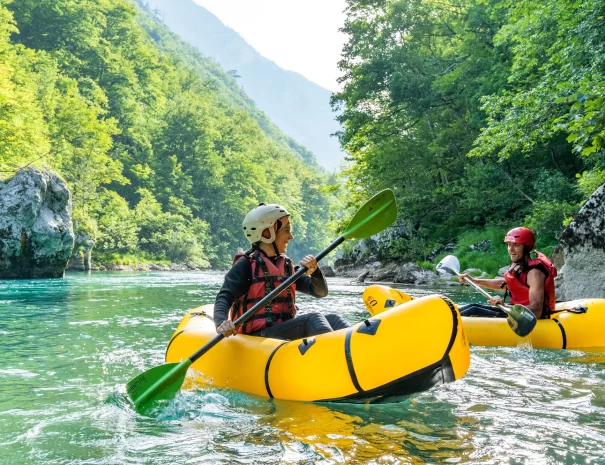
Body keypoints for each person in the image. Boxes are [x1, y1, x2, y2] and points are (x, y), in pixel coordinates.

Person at [214, 203, 349, 340]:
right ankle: (335, 357)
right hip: (256, 338)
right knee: (312, 319)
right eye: (287, 230)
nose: (291, 236)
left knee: (334, 319)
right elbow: (224, 296)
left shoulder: (285, 265)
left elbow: (320, 292)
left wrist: (315, 272)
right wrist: (221, 323)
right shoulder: (245, 265)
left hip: (282, 332)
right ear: (267, 233)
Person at [458, 227, 557, 319]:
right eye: (509, 245)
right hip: (516, 311)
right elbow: (506, 283)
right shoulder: (520, 266)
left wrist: (505, 307)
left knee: (473, 311)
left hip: (527, 318)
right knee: (473, 306)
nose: (511, 249)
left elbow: (536, 310)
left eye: (516, 245)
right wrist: (475, 281)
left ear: (527, 248)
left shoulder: (534, 273)